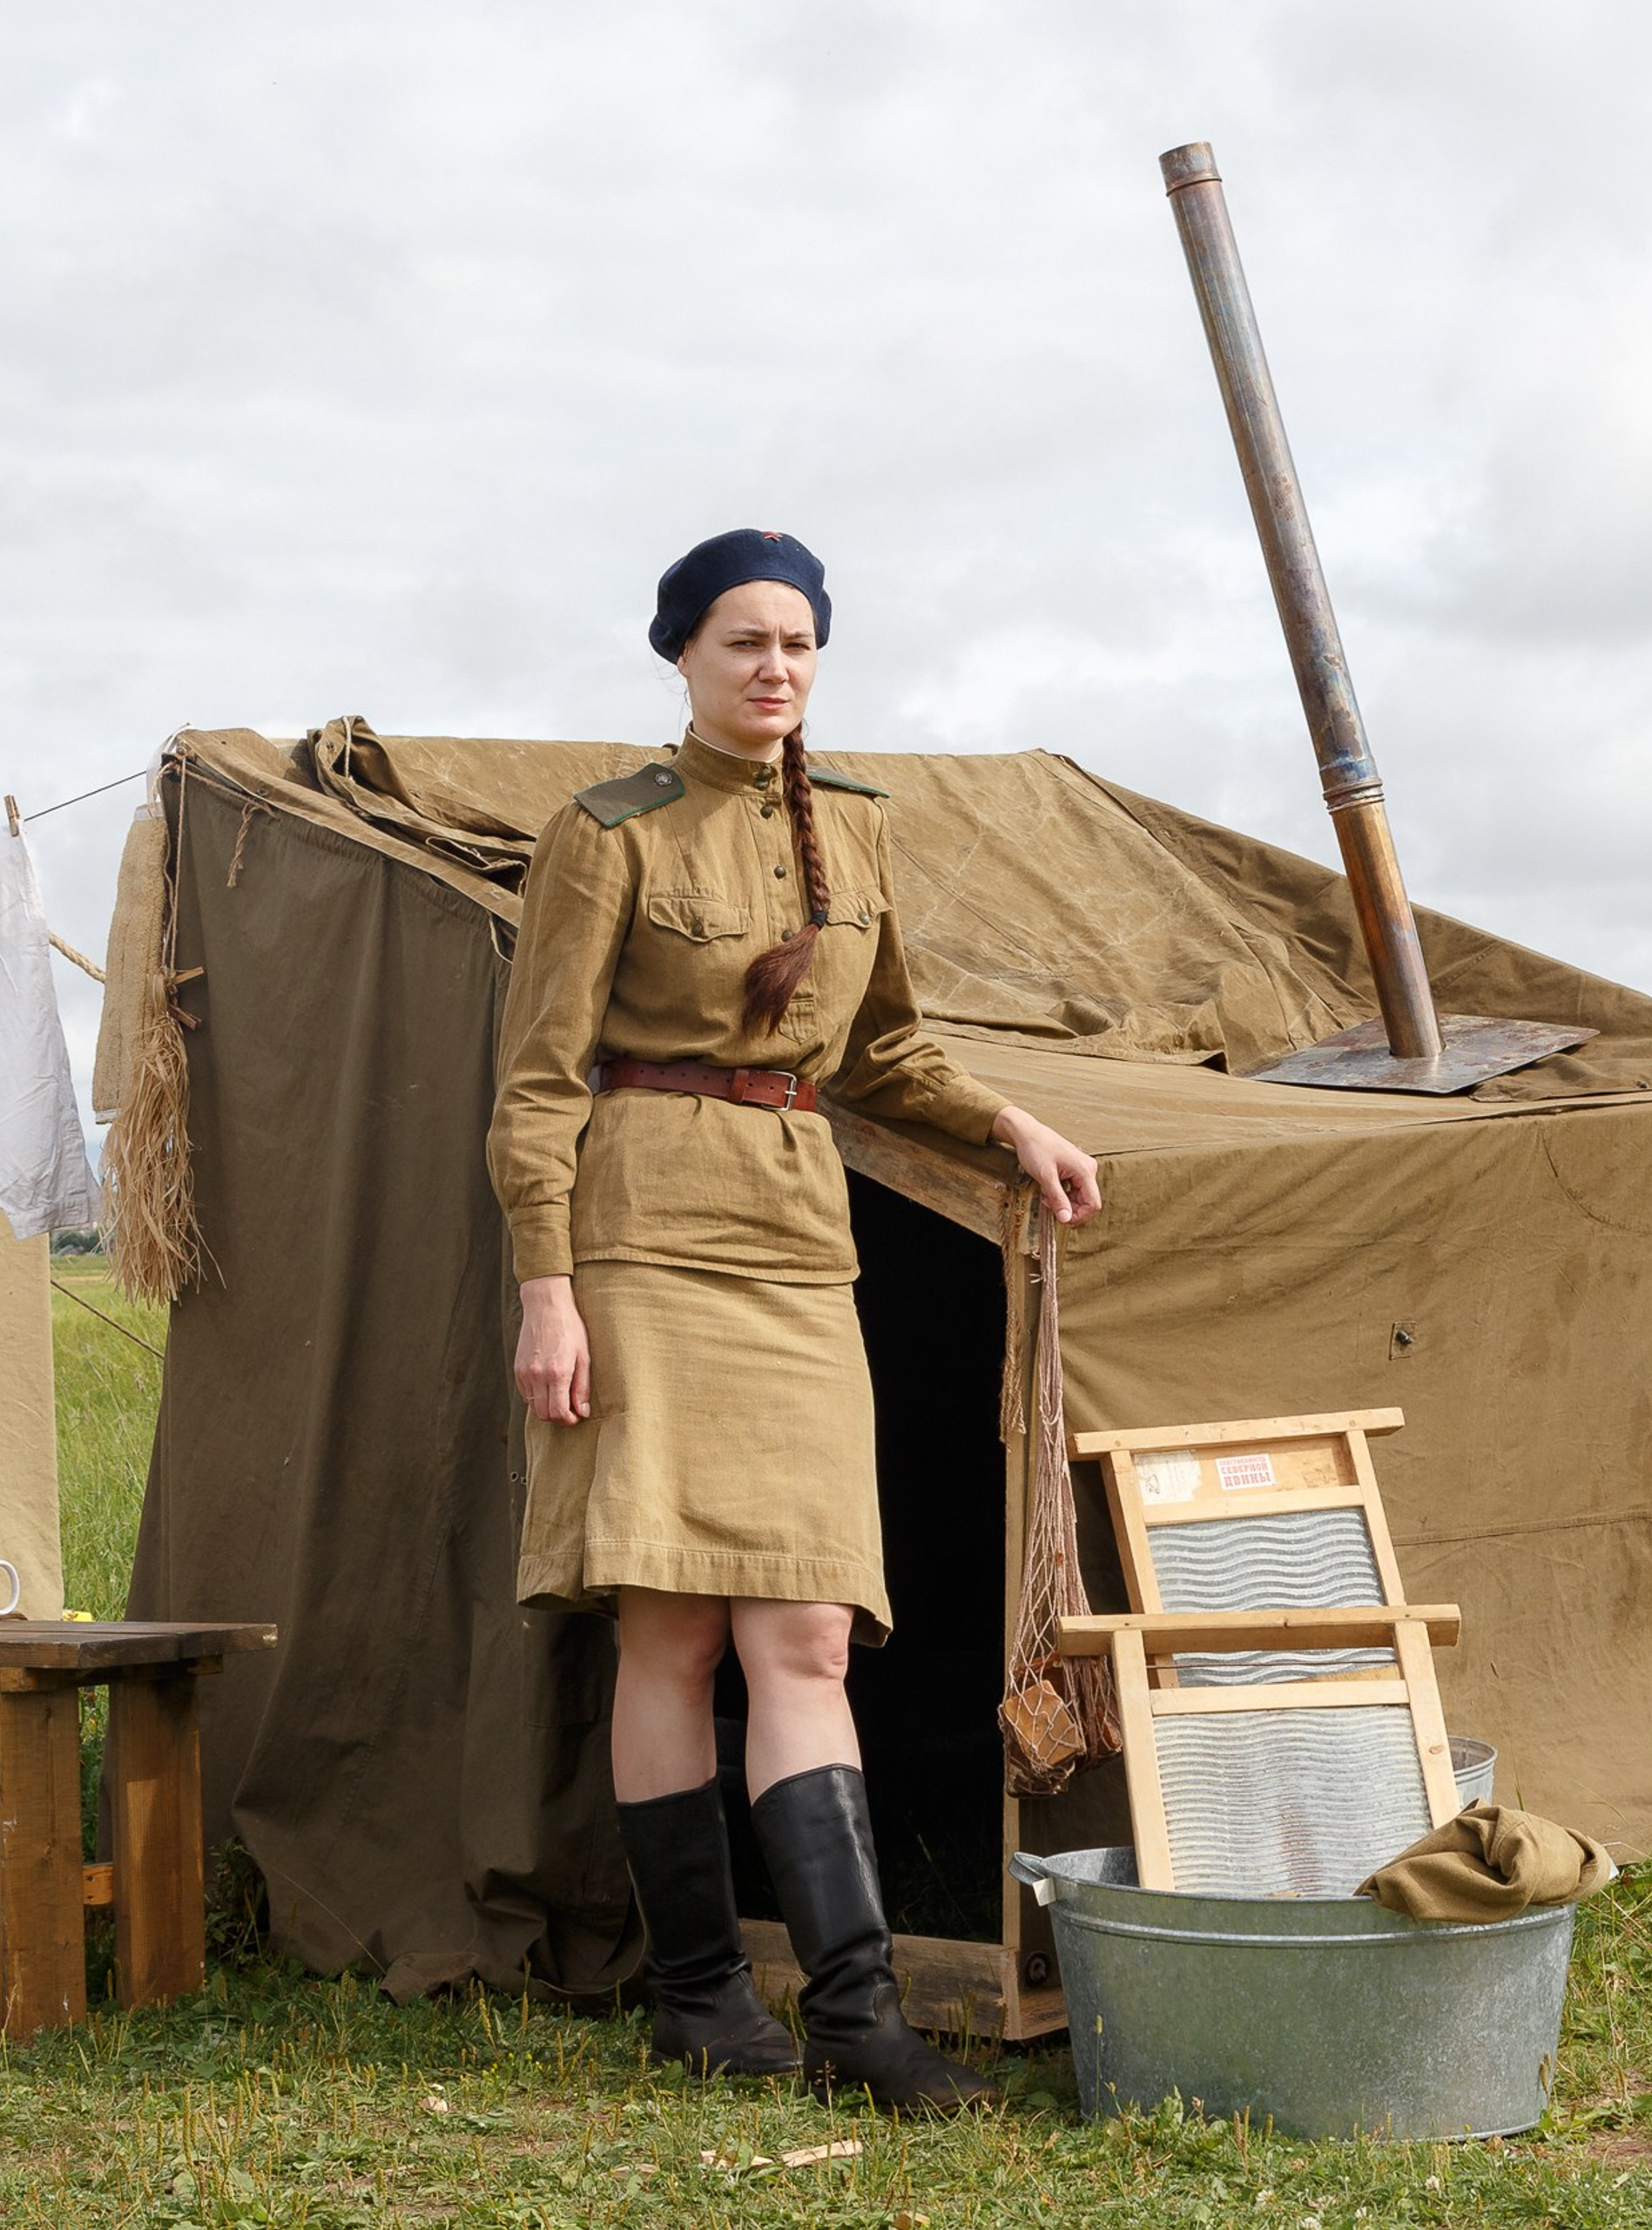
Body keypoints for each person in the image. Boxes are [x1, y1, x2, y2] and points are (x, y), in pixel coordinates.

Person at [487, 528, 1101, 2112]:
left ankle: (855, 2021)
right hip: (639, 1238)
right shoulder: (605, 835)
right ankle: (700, 1999)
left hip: (796, 1244)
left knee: (810, 1629)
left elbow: (884, 1051)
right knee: (673, 1629)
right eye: (743, 641)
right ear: (683, 656)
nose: (774, 667)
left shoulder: (864, 829)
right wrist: (548, 1289)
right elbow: (538, 1085)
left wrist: (1010, 1126)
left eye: (798, 643)